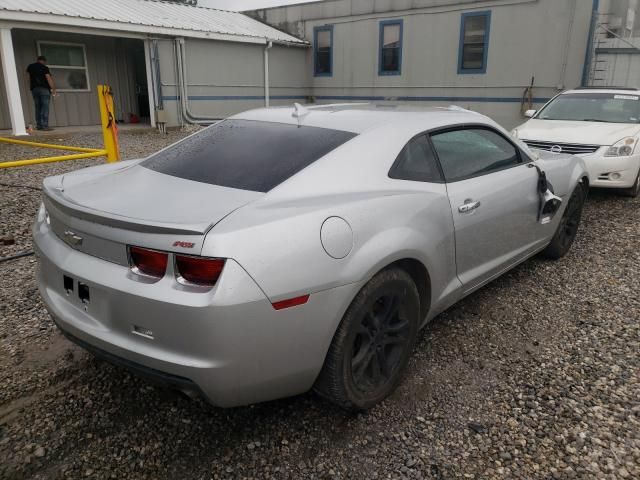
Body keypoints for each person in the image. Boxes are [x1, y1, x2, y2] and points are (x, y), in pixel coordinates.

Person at [26, 56, 56, 131]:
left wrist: (32, 86)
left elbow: (28, 77)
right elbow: (48, 78)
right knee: (45, 107)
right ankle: (45, 126)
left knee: (38, 107)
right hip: (44, 89)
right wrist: (53, 89)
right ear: (44, 61)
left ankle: (39, 125)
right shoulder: (44, 67)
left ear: (37, 60)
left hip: (34, 89)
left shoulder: (30, 67)